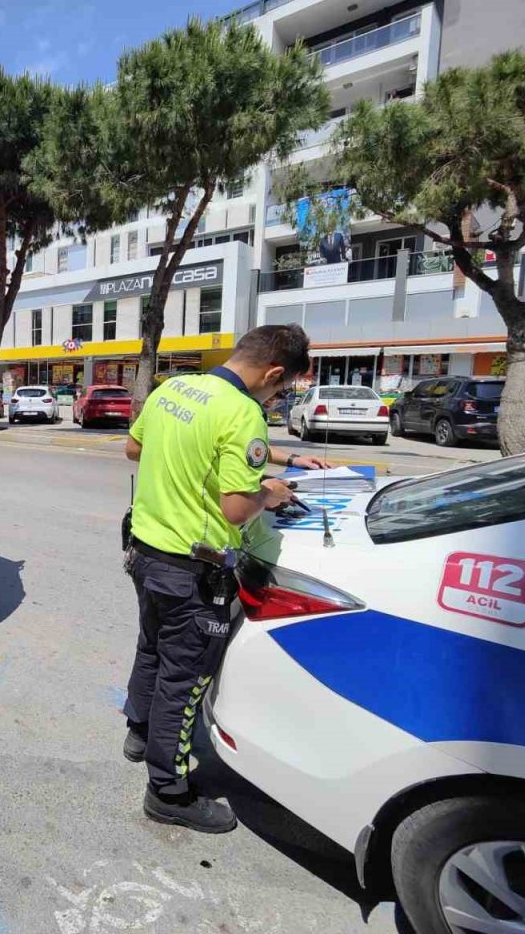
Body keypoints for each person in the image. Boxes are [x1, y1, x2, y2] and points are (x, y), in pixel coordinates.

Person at [121, 324, 331, 833]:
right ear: (274, 372)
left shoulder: (176, 387)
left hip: (145, 551)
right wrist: (271, 493)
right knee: (185, 679)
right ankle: (167, 791)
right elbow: (237, 509)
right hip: (194, 568)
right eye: (280, 390)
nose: (276, 397)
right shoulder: (243, 413)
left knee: (152, 646)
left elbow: (135, 449)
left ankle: (139, 731)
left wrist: (270, 458)